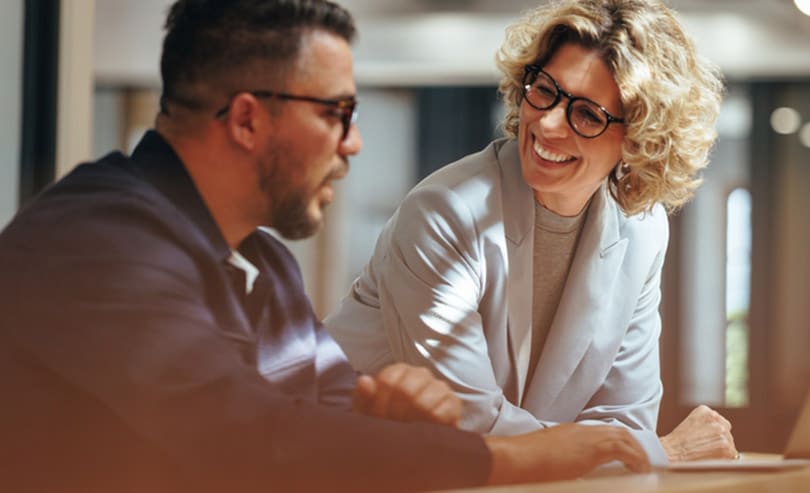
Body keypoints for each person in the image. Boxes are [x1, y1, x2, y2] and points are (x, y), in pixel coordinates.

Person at [0, 1, 649, 491]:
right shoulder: (94, 245)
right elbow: (256, 441)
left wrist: (386, 416)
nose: (353, 143)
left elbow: (327, 413)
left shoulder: (266, 264)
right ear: (250, 118)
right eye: (336, 112)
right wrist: (527, 454)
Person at [325, 0, 735, 464]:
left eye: (586, 114)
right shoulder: (444, 211)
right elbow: (471, 424)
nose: (548, 122)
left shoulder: (642, 229)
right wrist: (658, 451)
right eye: (545, 90)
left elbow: (624, 414)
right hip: (346, 468)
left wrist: (631, 447)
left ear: (639, 140)